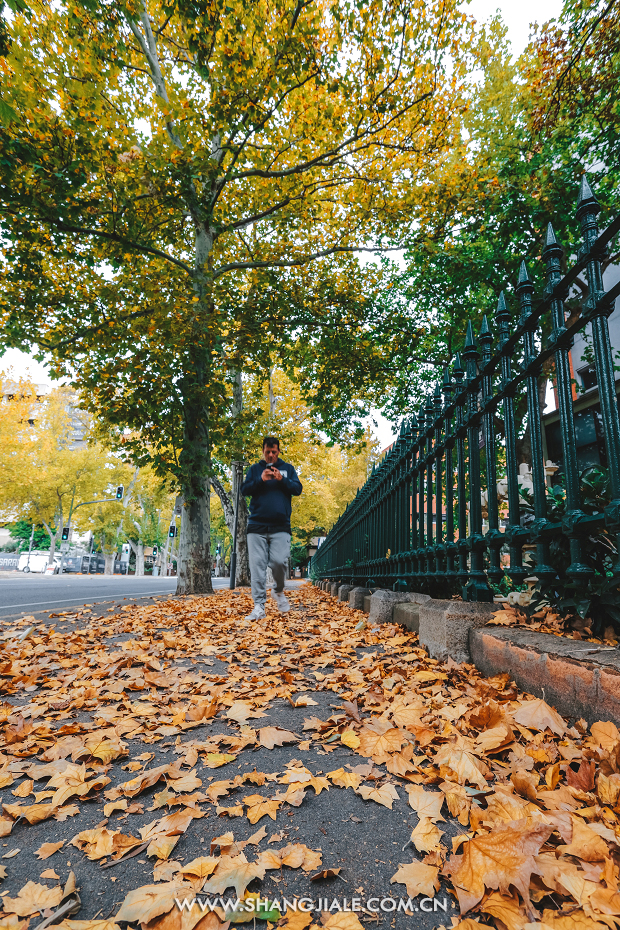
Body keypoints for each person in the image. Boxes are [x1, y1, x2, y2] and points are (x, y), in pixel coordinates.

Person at [240, 436, 302, 620]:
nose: (270, 455)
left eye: (274, 452)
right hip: (256, 525)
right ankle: (259, 606)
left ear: (279, 451)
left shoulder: (288, 469)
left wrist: (281, 479)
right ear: (263, 451)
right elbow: (244, 490)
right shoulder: (255, 469)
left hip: (280, 526)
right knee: (257, 567)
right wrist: (260, 480)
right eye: (267, 452)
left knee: (280, 562)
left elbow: (297, 489)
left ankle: (278, 591)